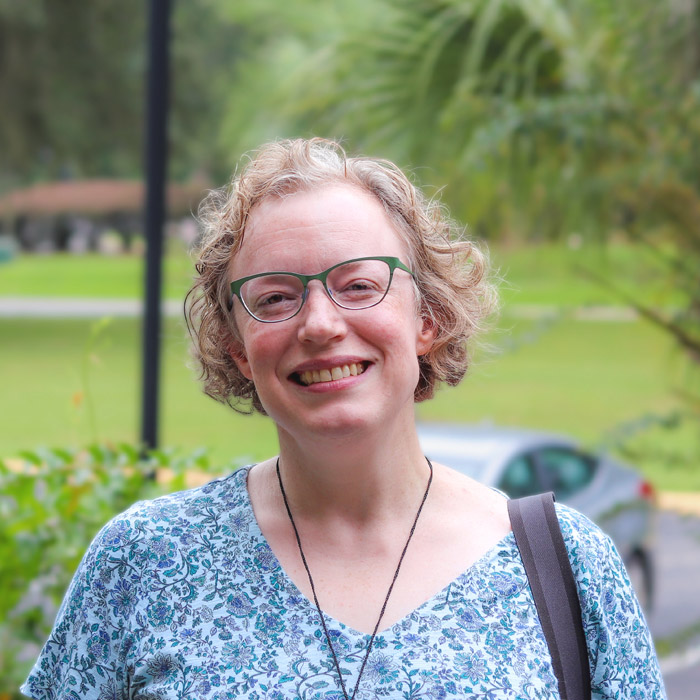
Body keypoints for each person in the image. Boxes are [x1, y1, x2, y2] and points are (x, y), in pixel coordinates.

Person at [22, 138, 665, 699]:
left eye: (359, 285)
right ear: (236, 349)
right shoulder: (145, 563)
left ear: (428, 318)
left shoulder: (566, 568)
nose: (322, 324)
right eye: (275, 297)